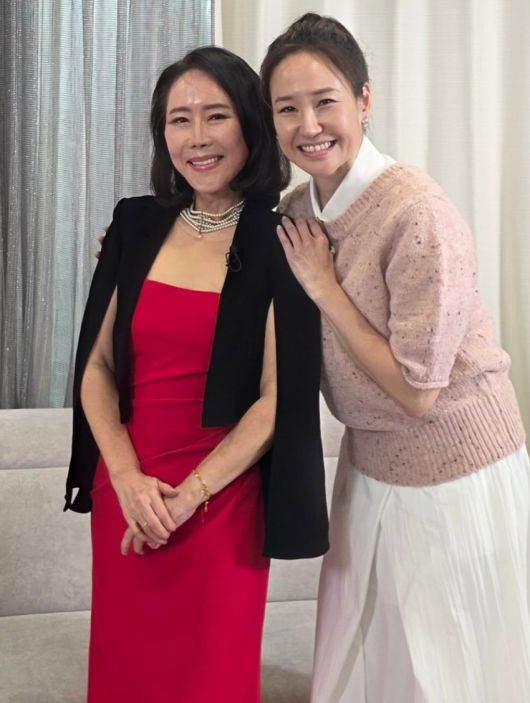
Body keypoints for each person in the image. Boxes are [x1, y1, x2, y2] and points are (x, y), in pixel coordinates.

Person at [260, 13, 530, 703]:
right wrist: (134, 244)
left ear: (364, 100)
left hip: (454, 463)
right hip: (371, 459)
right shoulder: (296, 210)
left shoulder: (417, 214)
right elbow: (221, 248)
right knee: (366, 651)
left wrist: (325, 287)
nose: (308, 125)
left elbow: (417, 392)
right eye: (287, 109)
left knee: (449, 667)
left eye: (325, 101)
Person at [64, 46, 328, 703]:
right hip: (126, 487)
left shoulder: (282, 240)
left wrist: (187, 497)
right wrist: (126, 478)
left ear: (250, 125)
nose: (197, 137)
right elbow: (95, 366)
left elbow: (276, 400)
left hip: (221, 502)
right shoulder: (134, 223)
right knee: (126, 677)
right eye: (179, 120)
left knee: (210, 679)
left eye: (216, 115)